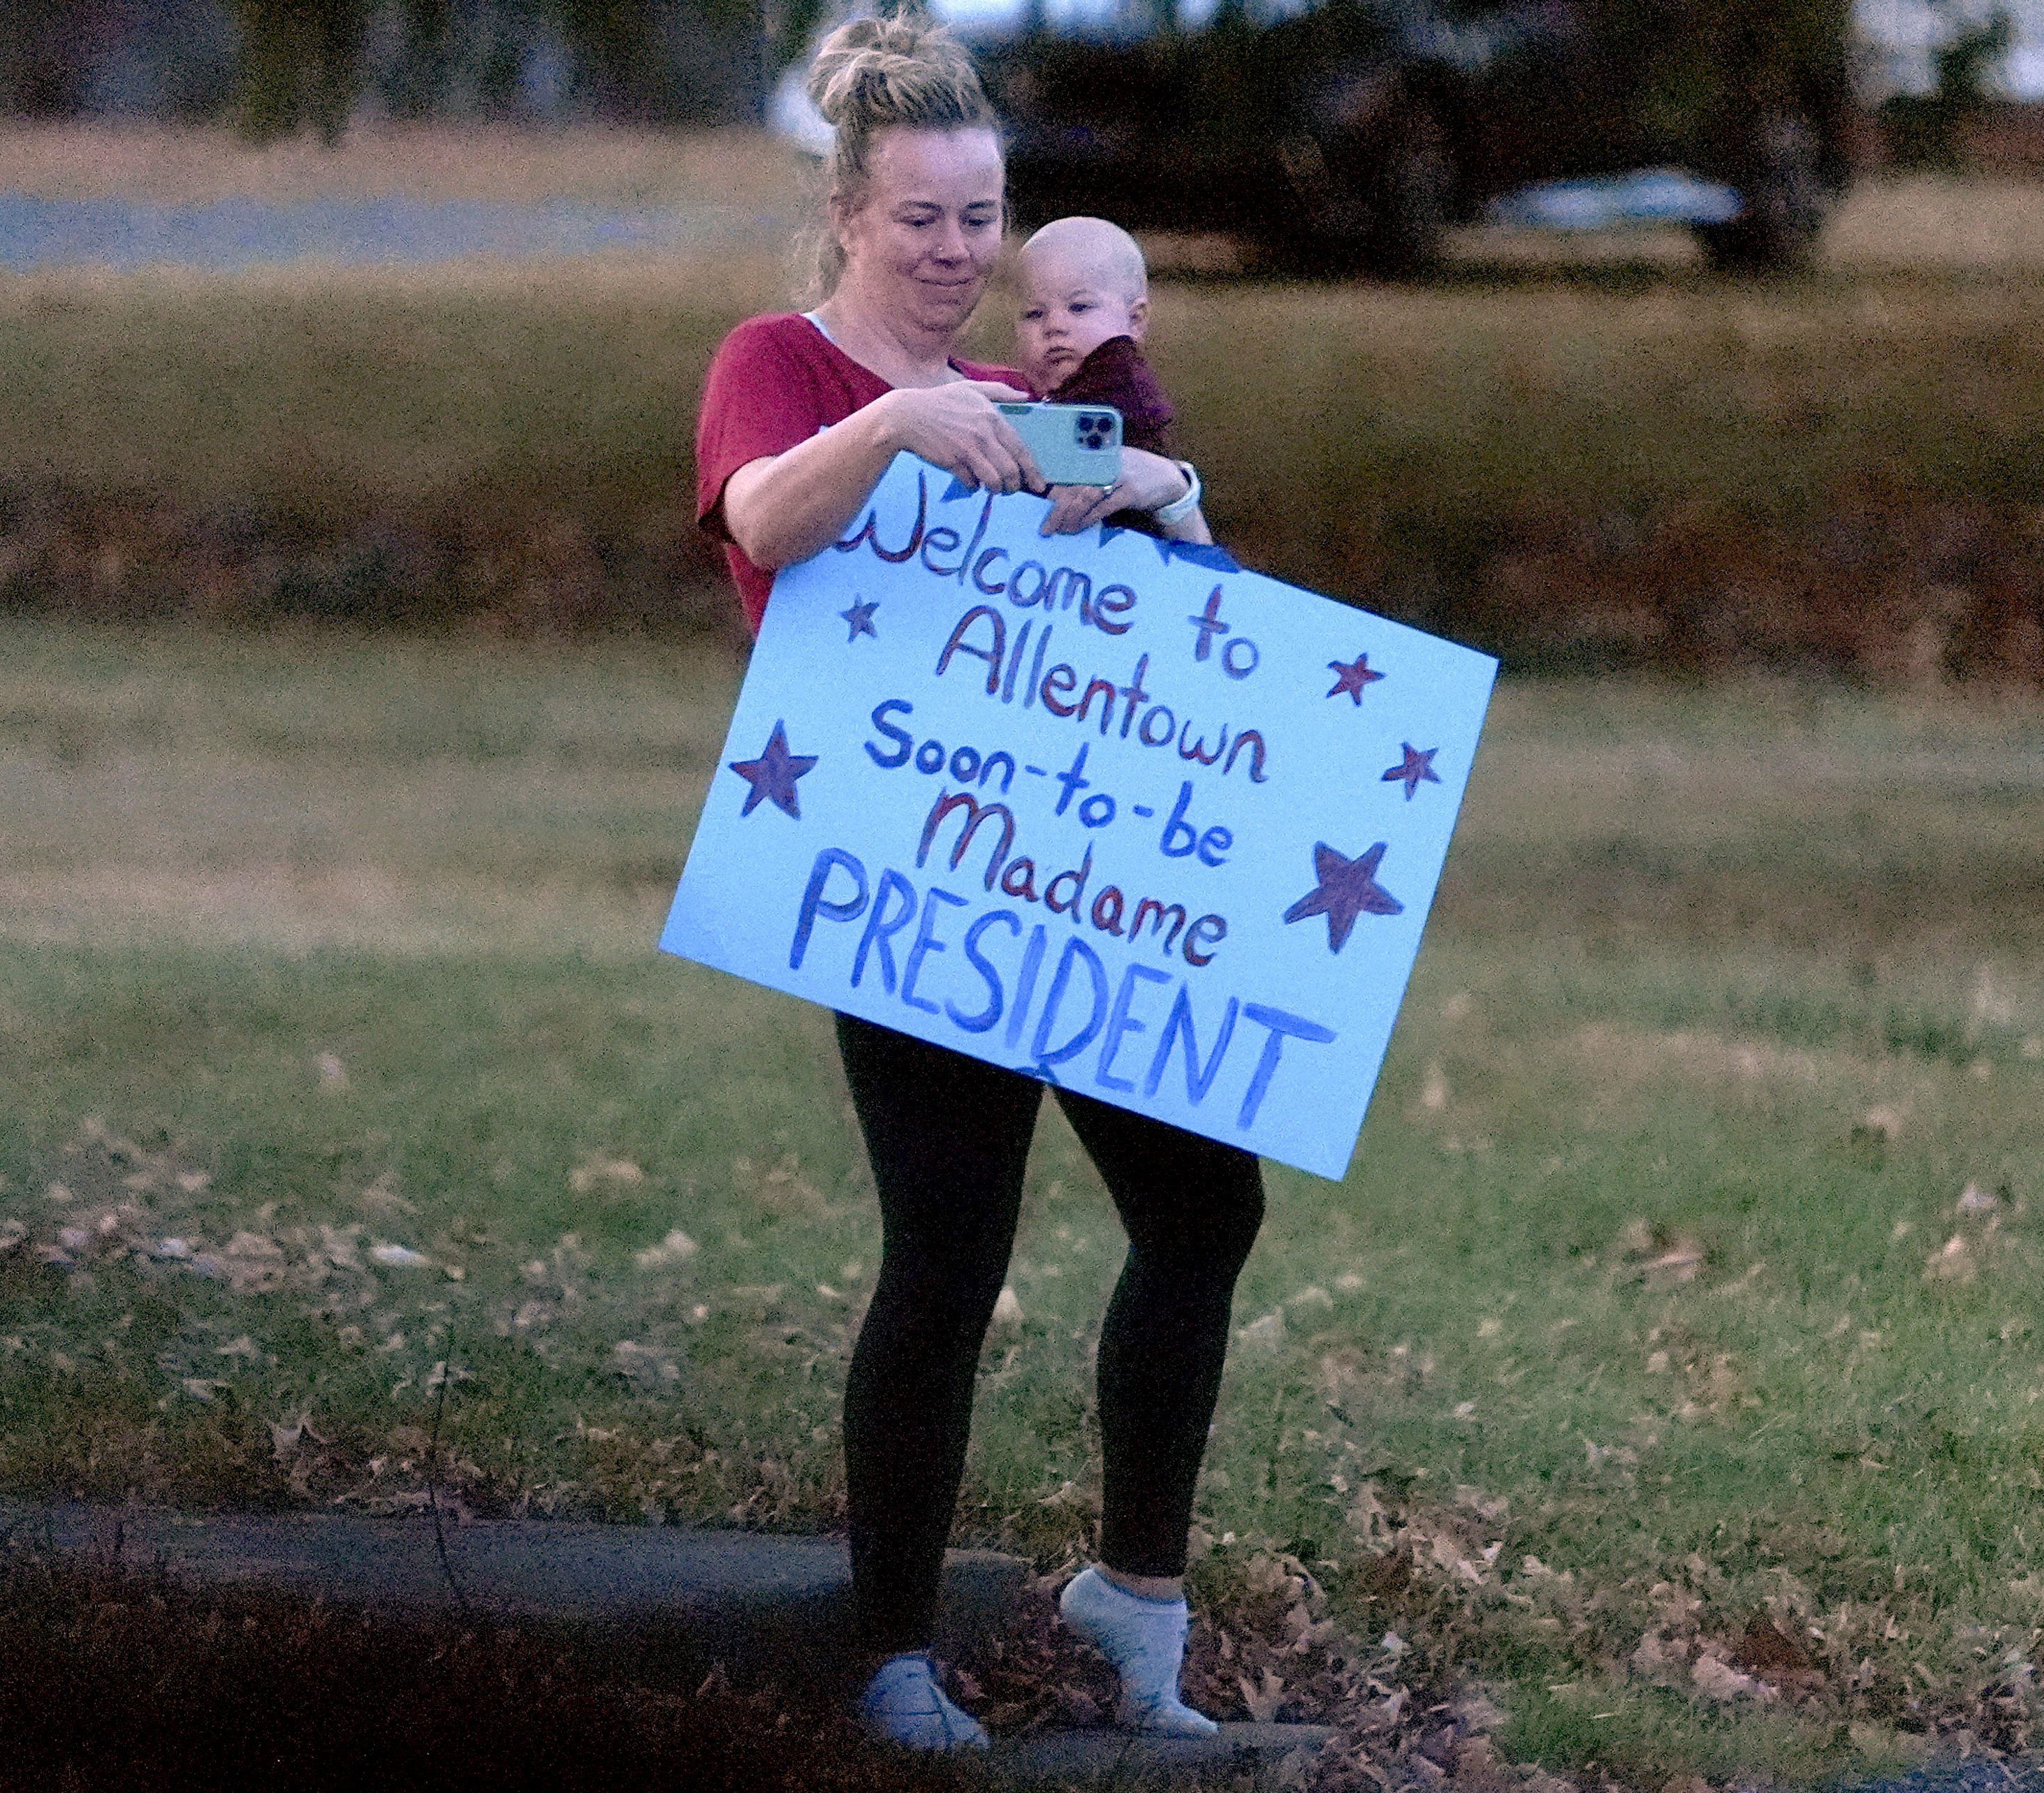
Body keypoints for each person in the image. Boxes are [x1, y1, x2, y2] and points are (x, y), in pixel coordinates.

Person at [689, 10, 1257, 1755]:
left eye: (977, 219)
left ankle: (1136, 1602)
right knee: (947, 1247)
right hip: (898, 876)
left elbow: (1185, 568)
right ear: (849, 212)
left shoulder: (1032, 400)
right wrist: (899, 427)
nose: (953, 252)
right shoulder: (780, 363)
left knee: (1201, 1206)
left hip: (1067, 880)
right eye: (920, 218)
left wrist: (1167, 486)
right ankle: (890, 1650)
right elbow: (762, 518)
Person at [1010, 214, 1211, 546]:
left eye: (1079, 307)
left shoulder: (1118, 375)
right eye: (1034, 314)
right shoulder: (1024, 390)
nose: (1054, 325)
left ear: (1135, 320)